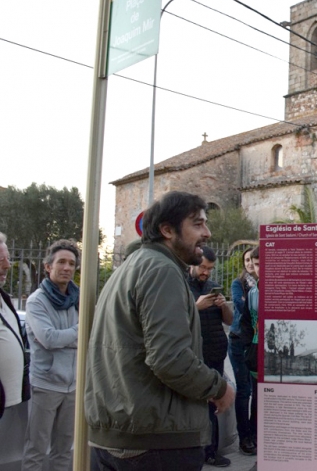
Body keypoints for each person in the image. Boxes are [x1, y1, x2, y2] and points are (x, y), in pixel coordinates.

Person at [85, 191, 234, 471]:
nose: (208, 233)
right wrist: (219, 387)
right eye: (198, 224)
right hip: (155, 443)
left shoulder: (131, 266)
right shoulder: (161, 270)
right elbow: (170, 358)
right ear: (167, 230)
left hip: (124, 436)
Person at [23, 239, 80, 471]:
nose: (67, 267)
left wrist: (63, 338)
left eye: (72, 263)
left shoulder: (78, 299)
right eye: (61, 262)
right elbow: (48, 339)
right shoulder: (37, 301)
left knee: (64, 449)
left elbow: (90, 337)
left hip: (73, 385)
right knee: (36, 448)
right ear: (48, 267)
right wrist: (80, 331)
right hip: (45, 384)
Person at [188, 246, 233, 467]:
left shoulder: (214, 287)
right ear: (193, 264)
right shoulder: (181, 286)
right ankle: (195, 451)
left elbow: (229, 321)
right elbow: (175, 319)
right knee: (195, 404)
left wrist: (223, 305)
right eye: (203, 267)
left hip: (216, 352)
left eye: (210, 268)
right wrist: (196, 306)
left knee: (212, 405)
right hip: (195, 355)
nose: (205, 272)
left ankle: (211, 451)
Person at [228, 247, 257, 456]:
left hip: (256, 343)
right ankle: (244, 437)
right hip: (239, 341)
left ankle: (255, 433)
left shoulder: (262, 284)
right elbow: (239, 304)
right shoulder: (239, 283)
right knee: (244, 390)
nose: (250, 264)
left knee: (258, 391)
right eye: (246, 260)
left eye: (253, 261)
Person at [0, 232, 30, 421]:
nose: (7, 265)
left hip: (9, 405)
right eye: (0, 259)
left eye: (8, 259)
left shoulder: (4, 298)